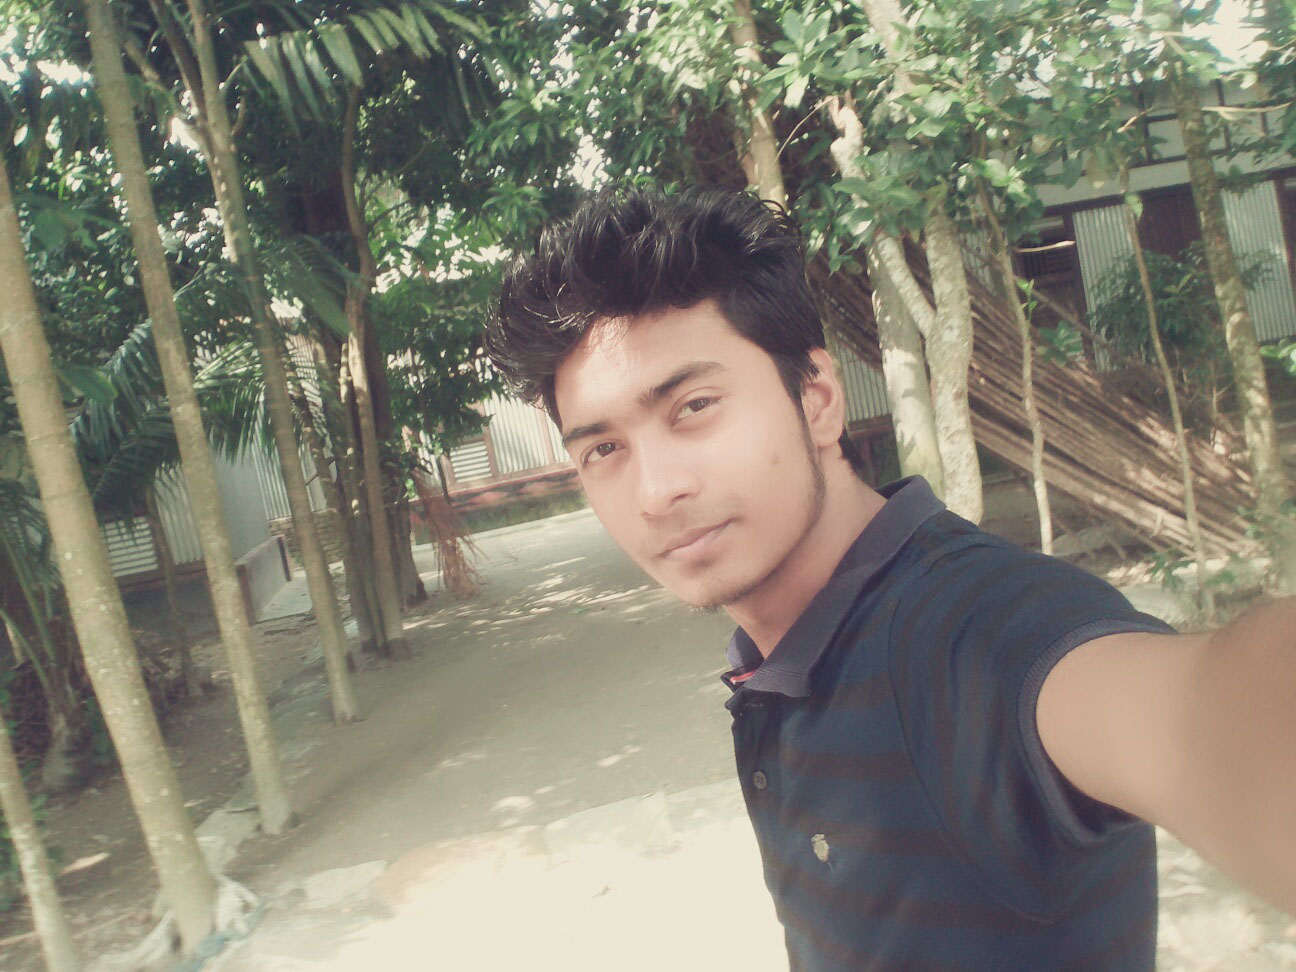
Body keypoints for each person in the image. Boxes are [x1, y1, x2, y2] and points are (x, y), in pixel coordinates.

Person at [485, 186, 1295, 970]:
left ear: (817, 401)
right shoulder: (775, 662)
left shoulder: (975, 634)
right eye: (604, 450)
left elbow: (1207, 708)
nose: (656, 491)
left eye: (693, 407)